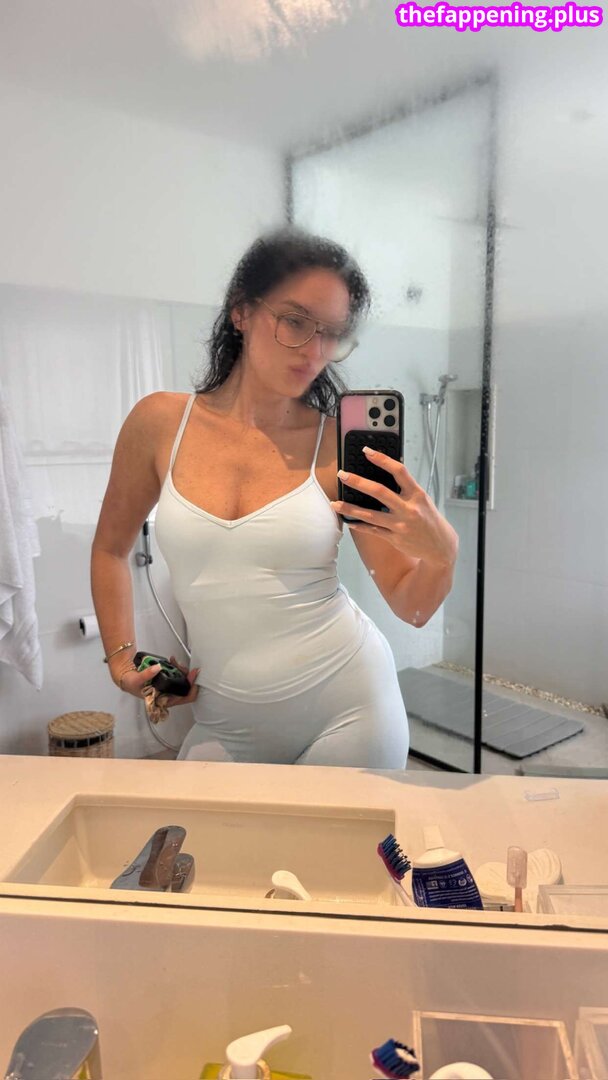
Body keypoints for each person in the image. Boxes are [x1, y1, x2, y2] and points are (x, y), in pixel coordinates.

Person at [91, 227, 458, 768]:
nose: (314, 351)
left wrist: (443, 553)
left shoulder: (337, 445)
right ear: (241, 311)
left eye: (332, 333)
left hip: (351, 711)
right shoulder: (160, 423)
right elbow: (109, 549)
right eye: (295, 321)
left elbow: (412, 604)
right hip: (224, 721)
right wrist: (121, 662)